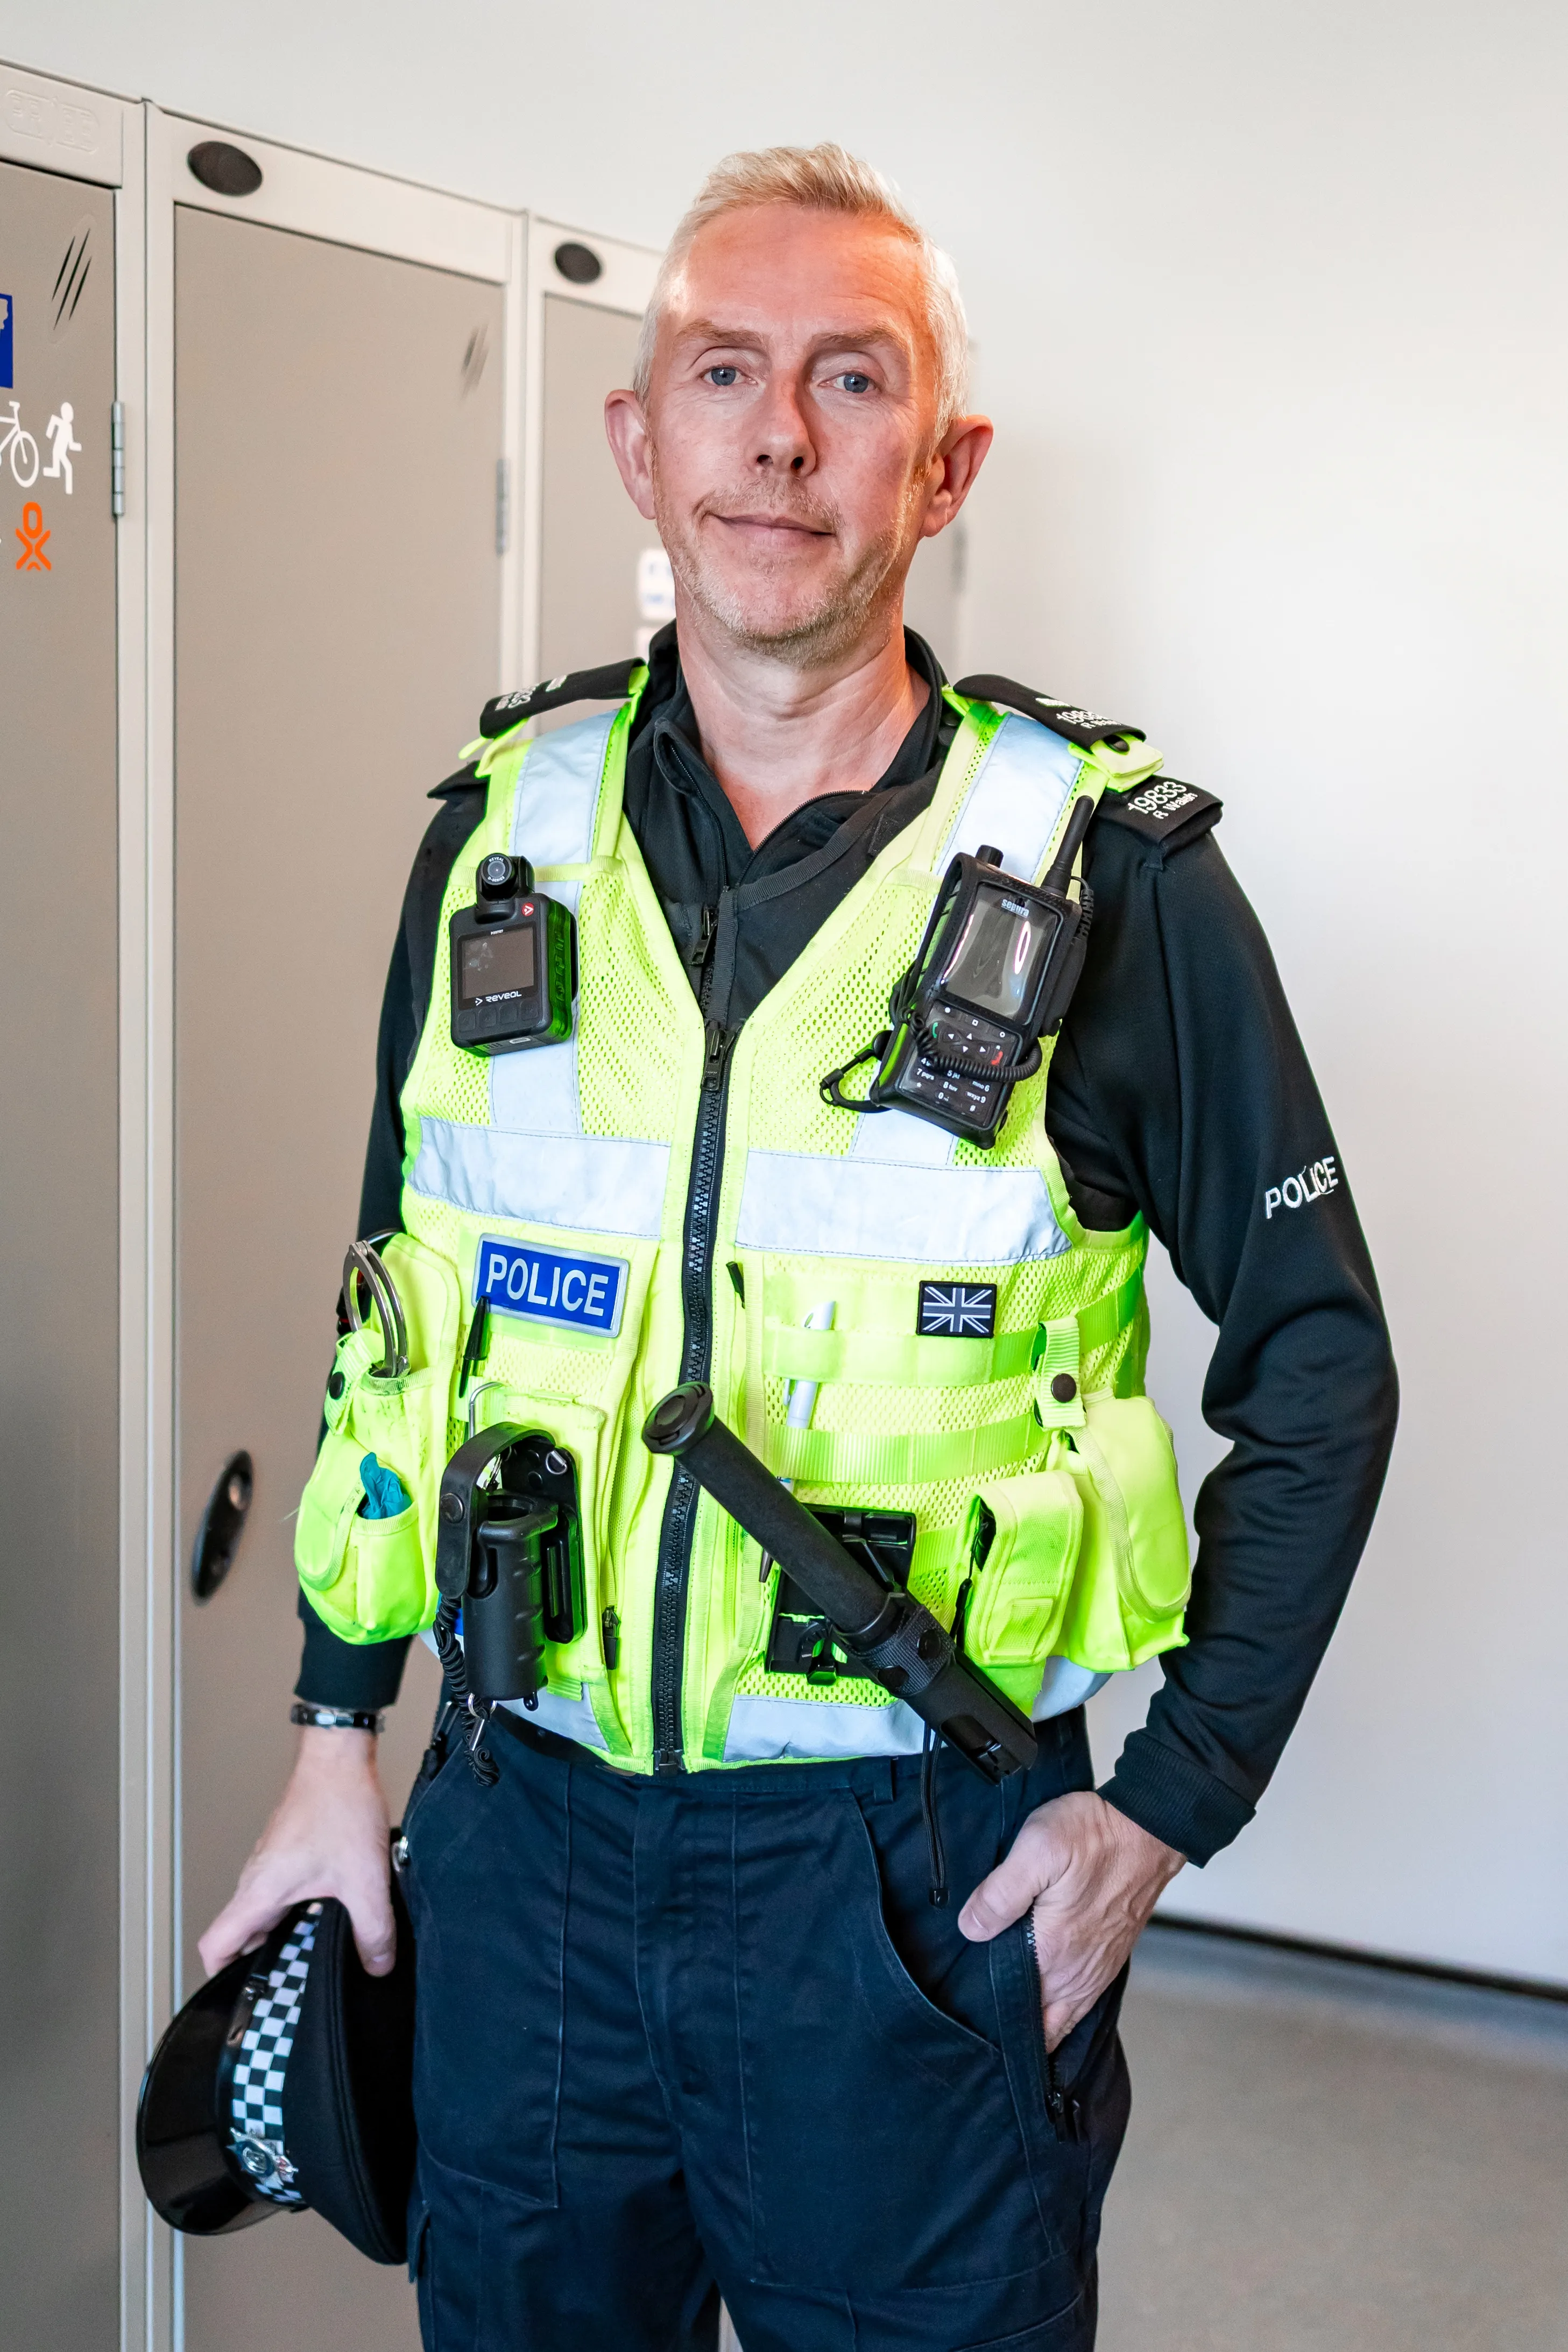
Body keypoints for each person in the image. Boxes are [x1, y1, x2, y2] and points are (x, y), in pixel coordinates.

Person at [201, 145, 1397, 2350]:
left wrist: (1162, 1813)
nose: (775, 437)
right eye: (720, 370)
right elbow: (400, 1308)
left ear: (939, 467)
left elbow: (1318, 1360)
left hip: (906, 1889)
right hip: (521, 1854)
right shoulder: (499, 839)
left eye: (849, 381)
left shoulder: (1108, 882)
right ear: (632, 441)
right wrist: (327, 1744)